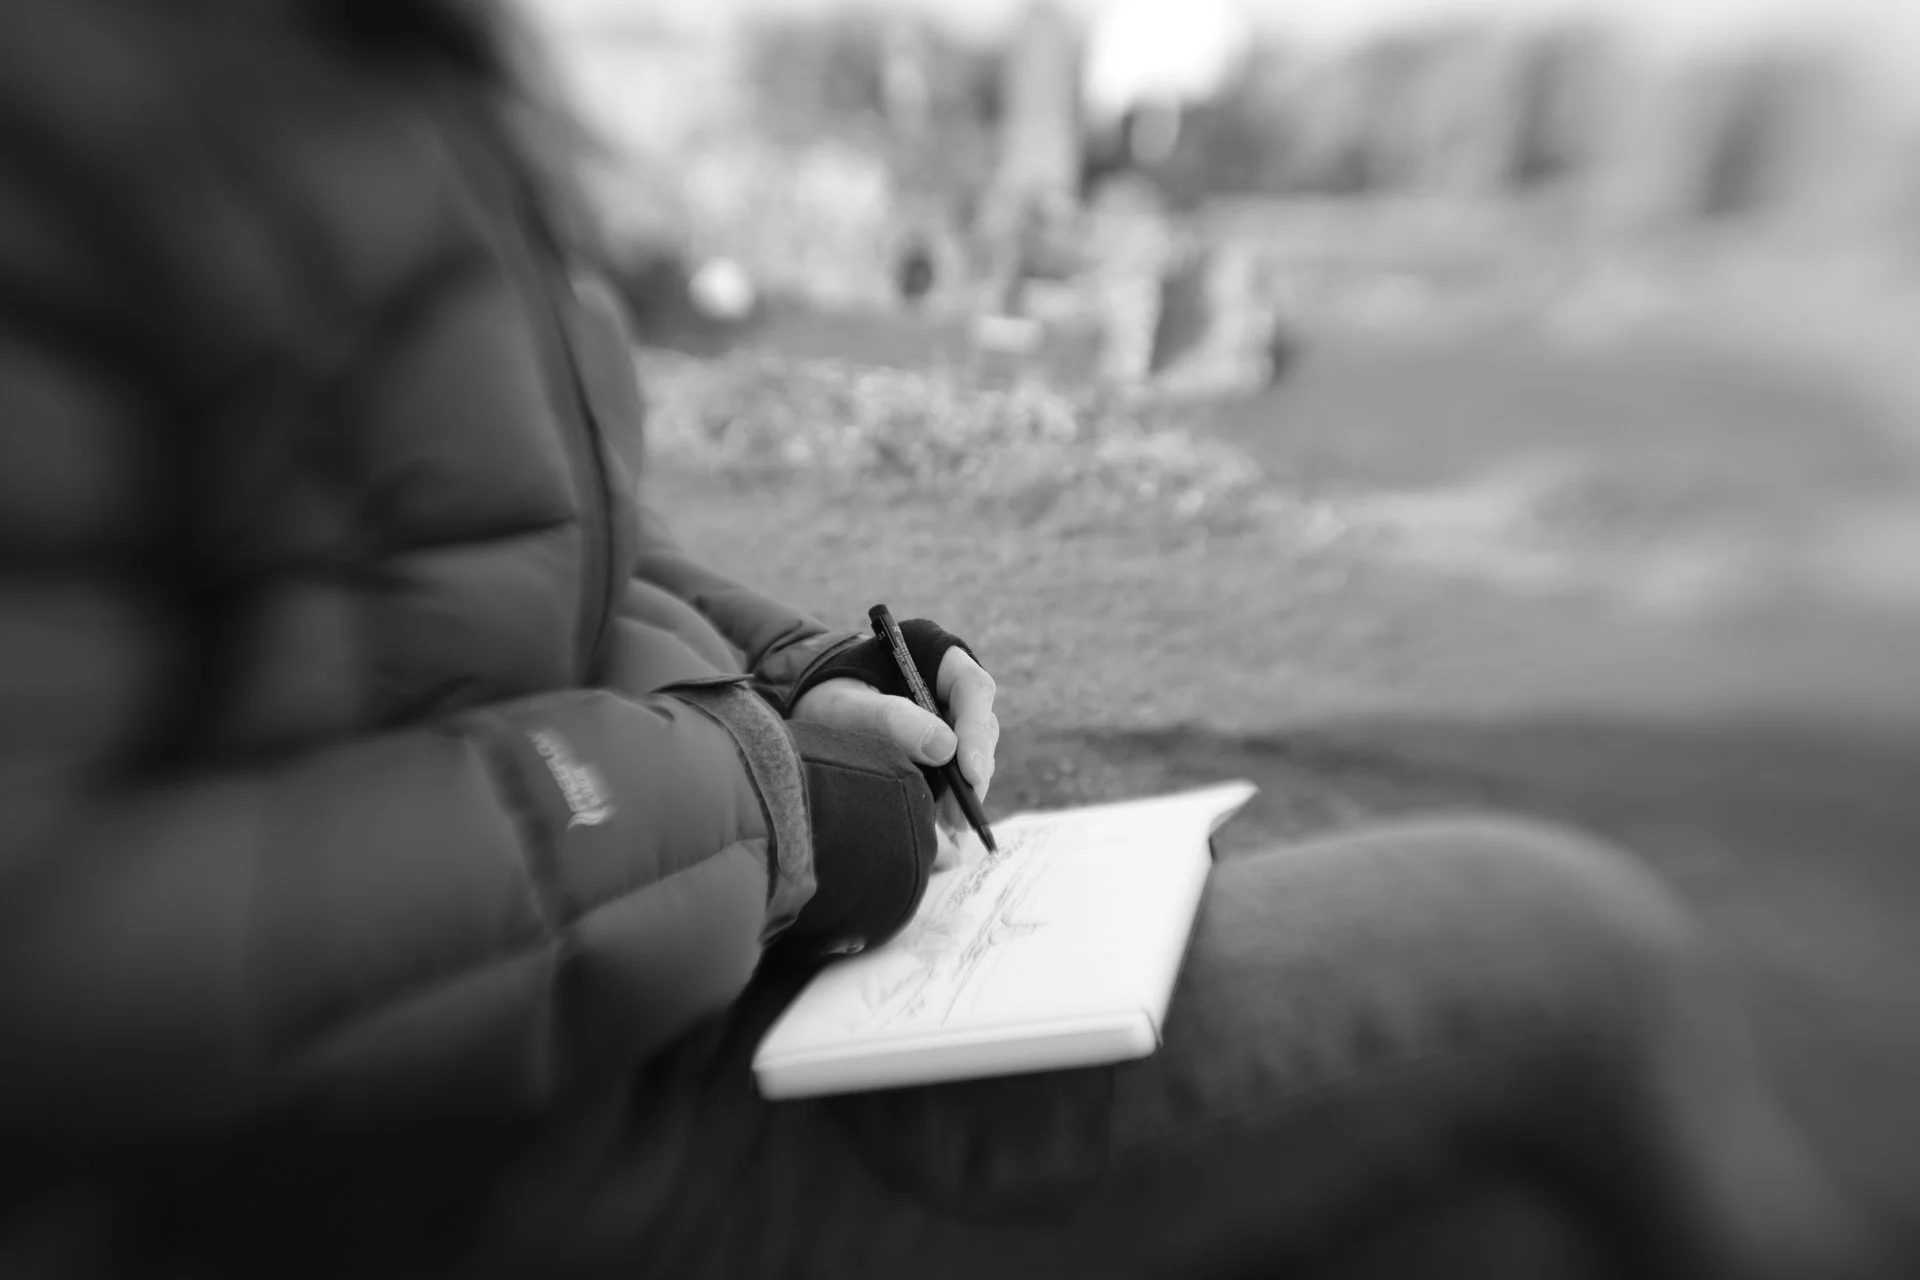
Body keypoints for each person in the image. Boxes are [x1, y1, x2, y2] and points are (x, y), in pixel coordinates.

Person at [0, 4, 1892, 1279]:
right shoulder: (91, 98)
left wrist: (798, 658)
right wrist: (751, 803)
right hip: (529, 1175)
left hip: (627, 1045)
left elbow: (529, 574)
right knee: (1576, 946)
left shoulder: (365, 77)